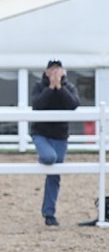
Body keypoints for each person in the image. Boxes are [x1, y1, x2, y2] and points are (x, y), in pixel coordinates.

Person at [31, 59, 80, 226]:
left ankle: (49, 213)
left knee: (54, 175)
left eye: (58, 69)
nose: (55, 72)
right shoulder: (39, 86)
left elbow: (73, 105)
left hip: (60, 136)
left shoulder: (69, 87)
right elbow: (37, 105)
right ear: (46, 72)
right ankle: (42, 157)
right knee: (49, 158)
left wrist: (60, 87)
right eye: (52, 69)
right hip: (41, 134)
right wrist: (51, 87)